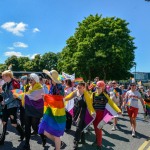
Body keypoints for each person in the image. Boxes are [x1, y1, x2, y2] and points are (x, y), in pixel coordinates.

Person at [14, 73, 45, 150]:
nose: (30, 80)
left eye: (32, 79)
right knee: (27, 127)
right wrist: (18, 95)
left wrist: (19, 95)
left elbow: (31, 96)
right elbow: (26, 96)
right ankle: (27, 143)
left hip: (36, 110)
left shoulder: (40, 88)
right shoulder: (29, 87)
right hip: (28, 109)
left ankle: (43, 137)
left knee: (35, 126)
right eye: (30, 79)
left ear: (36, 80)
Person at [64, 82, 96, 150]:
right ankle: (83, 138)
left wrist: (92, 112)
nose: (79, 86)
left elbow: (89, 104)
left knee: (78, 127)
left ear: (83, 87)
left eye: (81, 85)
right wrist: (61, 99)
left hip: (83, 112)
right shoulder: (75, 92)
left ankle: (76, 141)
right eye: (78, 85)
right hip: (76, 111)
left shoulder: (86, 94)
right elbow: (67, 98)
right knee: (79, 126)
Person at [39, 70, 65, 150]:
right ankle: (59, 143)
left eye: (49, 77)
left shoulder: (59, 86)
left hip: (57, 113)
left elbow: (58, 100)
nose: (48, 79)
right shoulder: (53, 85)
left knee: (56, 134)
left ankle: (58, 146)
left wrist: (46, 97)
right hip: (51, 111)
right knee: (44, 130)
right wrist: (46, 97)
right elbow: (52, 98)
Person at [91, 81, 121, 150]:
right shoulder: (92, 94)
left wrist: (118, 110)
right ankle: (97, 140)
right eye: (97, 87)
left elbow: (112, 103)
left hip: (101, 114)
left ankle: (99, 144)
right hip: (94, 114)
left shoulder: (105, 95)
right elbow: (89, 103)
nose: (97, 88)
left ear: (102, 88)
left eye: (99, 87)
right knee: (95, 128)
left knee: (99, 128)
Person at [0, 70, 24, 145]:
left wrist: (5, 101)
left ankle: (23, 134)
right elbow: (6, 95)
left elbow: (13, 97)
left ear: (8, 76)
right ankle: (2, 140)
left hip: (13, 106)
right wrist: (1, 92)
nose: (2, 77)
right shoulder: (6, 84)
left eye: (4, 76)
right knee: (4, 122)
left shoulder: (14, 84)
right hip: (6, 106)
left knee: (14, 124)